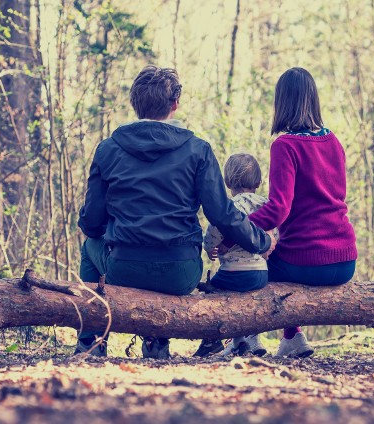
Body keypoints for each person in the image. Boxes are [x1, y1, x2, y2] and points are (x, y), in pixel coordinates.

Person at [76, 65, 275, 358]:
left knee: (90, 248)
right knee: (169, 263)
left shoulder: (108, 150)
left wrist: (113, 231)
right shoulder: (198, 150)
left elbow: (91, 223)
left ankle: (92, 342)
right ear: (175, 104)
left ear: (135, 103)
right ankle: (158, 340)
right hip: (181, 271)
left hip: (124, 267)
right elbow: (222, 215)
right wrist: (262, 241)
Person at [249, 67, 357, 358]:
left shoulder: (286, 146)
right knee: (275, 254)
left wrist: (236, 226)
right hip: (346, 260)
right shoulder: (333, 141)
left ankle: (244, 337)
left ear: (282, 102)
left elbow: (278, 210)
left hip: (307, 260)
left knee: (251, 267)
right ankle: (292, 338)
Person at [193, 153, 278, 358]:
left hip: (233, 272)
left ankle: (213, 341)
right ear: (258, 181)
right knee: (250, 300)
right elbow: (274, 234)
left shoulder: (229, 207)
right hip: (260, 274)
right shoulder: (266, 204)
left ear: (228, 181)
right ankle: (248, 340)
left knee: (212, 291)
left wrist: (209, 247)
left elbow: (214, 232)